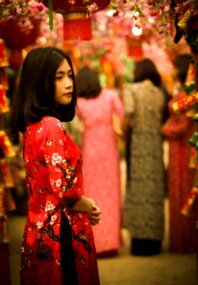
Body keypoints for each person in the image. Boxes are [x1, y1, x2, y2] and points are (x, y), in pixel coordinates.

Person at [10, 47, 101, 285]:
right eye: (59, 78)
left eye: (70, 76)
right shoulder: (52, 126)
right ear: (39, 82)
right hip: (62, 232)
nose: (69, 83)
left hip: (39, 230)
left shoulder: (33, 125)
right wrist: (88, 205)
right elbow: (65, 191)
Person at [76, 66, 124, 256]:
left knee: (91, 194)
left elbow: (73, 125)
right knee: (111, 195)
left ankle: (93, 242)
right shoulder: (110, 95)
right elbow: (121, 114)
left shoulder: (78, 102)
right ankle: (111, 242)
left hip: (88, 151)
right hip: (109, 150)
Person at [122, 58, 167, 256]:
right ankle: (154, 241)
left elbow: (129, 112)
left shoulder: (131, 89)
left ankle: (139, 242)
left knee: (139, 188)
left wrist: (124, 128)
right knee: (154, 189)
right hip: (155, 145)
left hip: (138, 143)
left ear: (138, 72)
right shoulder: (160, 93)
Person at [162, 53, 197, 254]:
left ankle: (185, 241)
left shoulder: (187, 96)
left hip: (185, 148)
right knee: (177, 191)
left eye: (174, 67)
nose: (172, 70)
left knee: (183, 190)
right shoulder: (183, 91)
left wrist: (165, 129)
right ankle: (181, 240)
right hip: (178, 149)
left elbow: (183, 126)